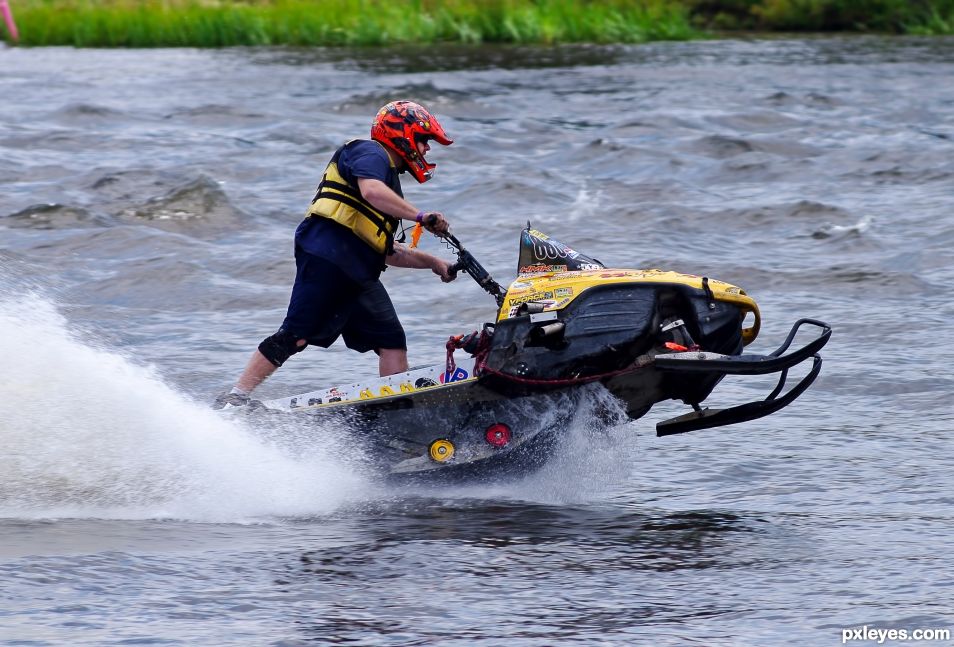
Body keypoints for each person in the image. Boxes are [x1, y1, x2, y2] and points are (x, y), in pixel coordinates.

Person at [214, 100, 457, 409]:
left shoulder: (390, 187)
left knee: (391, 340)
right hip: (328, 257)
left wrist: (436, 263)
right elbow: (370, 191)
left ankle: (394, 411)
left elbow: (388, 252)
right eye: (424, 141)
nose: (427, 150)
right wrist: (421, 217)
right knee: (296, 335)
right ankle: (234, 399)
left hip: (357, 273)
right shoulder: (370, 153)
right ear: (402, 135)